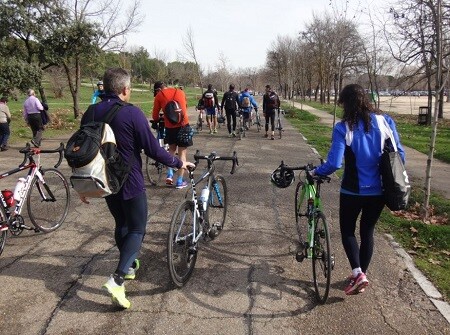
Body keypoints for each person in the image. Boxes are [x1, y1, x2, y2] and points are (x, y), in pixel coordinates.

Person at [79, 68, 194, 309]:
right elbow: (153, 149)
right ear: (124, 90)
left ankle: (129, 266)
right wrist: (178, 162)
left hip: (104, 179)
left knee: (121, 223)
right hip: (129, 179)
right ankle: (117, 279)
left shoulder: (90, 112)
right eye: (129, 89)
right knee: (137, 229)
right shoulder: (131, 113)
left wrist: (83, 184)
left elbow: (84, 149)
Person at [312, 83, 406, 296]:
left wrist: (318, 171)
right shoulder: (386, 122)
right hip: (379, 191)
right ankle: (360, 275)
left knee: (347, 231)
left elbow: (335, 164)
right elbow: (399, 156)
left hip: (352, 191)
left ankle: (358, 273)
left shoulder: (343, 127)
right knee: (367, 232)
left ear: (345, 103)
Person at [152, 81, 191, 189]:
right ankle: (179, 181)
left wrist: (158, 119)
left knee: (171, 150)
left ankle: (169, 174)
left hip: (170, 127)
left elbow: (155, 115)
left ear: (159, 89)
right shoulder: (180, 92)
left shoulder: (159, 96)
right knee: (182, 153)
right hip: (183, 125)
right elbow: (185, 108)